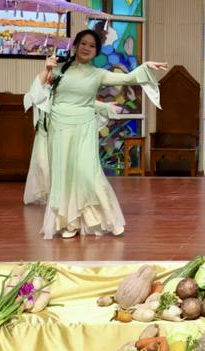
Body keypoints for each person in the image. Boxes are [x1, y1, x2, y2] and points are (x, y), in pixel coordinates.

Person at [35, 29, 167, 238]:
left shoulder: (98, 74)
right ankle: (69, 223)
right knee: (64, 175)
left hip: (84, 126)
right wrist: (46, 69)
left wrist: (145, 67)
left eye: (92, 45)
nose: (87, 48)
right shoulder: (59, 69)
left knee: (88, 173)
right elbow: (37, 92)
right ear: (75, 46)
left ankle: (108, 219)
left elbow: (128, 78)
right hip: (59, 126)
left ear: (96, 51)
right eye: (83, 43)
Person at [23, 75, 121, 206]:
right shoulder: (39, 92)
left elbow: (85, 103)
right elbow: (31, 97)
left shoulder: (62, 95)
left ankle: (57, 196)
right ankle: (45, 193)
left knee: (55, 167)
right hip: (42, 136)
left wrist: (106, 106)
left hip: (56, 136)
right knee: (42, 165)